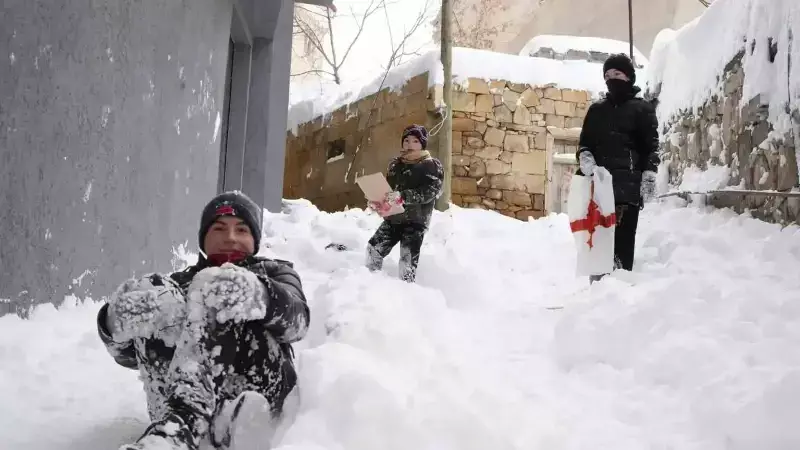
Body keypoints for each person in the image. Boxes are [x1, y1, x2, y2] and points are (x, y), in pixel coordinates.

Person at [97, 191, 310, 450]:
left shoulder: (276, 272)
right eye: (219, 228)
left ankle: (188, 427)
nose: (230, 238)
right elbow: (133, 358)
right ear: (203, 237)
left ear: (254, 239)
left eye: (241, 230)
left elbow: (298, 323)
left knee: (216, 285)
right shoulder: (176, 286)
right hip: (172, 407)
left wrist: (260, 295)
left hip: (257, 399)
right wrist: (112, 325)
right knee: (156, 291)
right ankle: (180, 428)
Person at [576, 53, 660, 279]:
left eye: (617, 73)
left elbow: (651, 147)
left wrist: (649, 173)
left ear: (629, 77)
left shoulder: (642, 110)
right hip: (600, 191)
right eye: (608, 75)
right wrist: (585, 157)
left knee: (622, 248)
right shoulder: (596, 111)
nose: (612, 78)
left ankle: (620, 293)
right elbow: (585, 144)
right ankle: (598, 294)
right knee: (599, 248)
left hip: (628, 191)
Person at [365, 124, 444, 283]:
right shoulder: (395, 165)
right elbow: (389, 192)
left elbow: (429, 192)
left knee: (407, 261)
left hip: (415, 221)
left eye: (415, 141)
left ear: (422, 144)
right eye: (406, 140)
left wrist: (404, 196)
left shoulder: (431, 165)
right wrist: (378, 201)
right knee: (373, 249)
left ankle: (406, 293)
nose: (410, 144)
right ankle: (371, 285)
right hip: (393, 218)